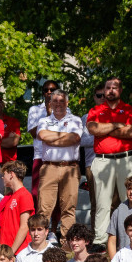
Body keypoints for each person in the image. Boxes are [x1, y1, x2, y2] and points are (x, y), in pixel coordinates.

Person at [86, 77, 132, 242]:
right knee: (102, 203)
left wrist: (105, 129)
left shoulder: (130, 109)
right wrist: (117, 125)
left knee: (129, 200)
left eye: (114, 87)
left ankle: (129, 237)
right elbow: (92, 129)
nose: (110, 90)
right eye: (108, 87)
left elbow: (131, 132)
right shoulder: (96, 110)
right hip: (103, 161)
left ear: (120, 90)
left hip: (126, 160)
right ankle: (100, 240)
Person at [35, 89, 85, 238]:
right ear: (50, 103)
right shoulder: (43, 121)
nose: (58, 104)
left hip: (70, 167)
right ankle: (40, 242)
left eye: (61, 101)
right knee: (44, 208)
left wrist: (53, 138)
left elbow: (75, 138)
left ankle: (67, 243)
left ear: (67, 102)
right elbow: (43, 136)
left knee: (69, 208)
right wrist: (64, 137)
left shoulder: (75, 120)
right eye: (55, 101)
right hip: (49, 167)